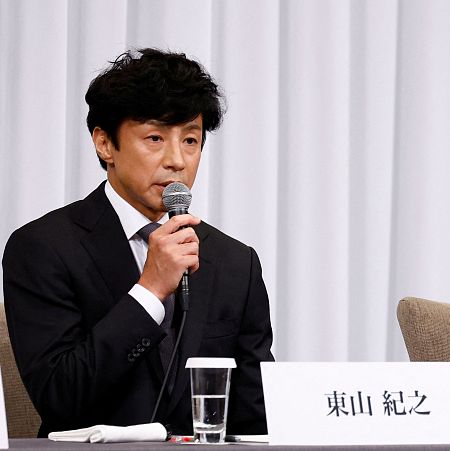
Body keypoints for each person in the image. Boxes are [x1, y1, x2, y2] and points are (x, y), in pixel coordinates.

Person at [2, 48, 274, 437]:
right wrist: (149, 292)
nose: (177, 160)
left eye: (191, 141)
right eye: (155, 138)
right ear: (105, 144)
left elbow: (255, 413)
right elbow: (59, 396)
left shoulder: (234, 261)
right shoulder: (43, 247)